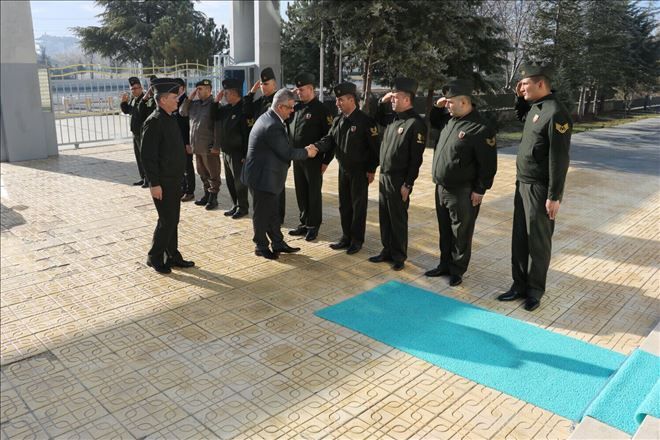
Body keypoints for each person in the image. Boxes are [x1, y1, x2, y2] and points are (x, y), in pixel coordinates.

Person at [497, 61, 572, 311]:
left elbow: (559, 158)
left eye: (525, 83)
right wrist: (519, 97)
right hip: (523, 184)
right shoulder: (535, 108)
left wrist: (554, 195)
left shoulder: (555, 113)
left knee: (537, 241)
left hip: (540, 188)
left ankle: (535, 290)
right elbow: (522, 115)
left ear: (541, 83)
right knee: (519, 238)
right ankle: (518, 284)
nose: (521, 87)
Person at [425, 79, 498, 286]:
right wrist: (439, 106)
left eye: (450, 102)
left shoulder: (480, 127)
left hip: (462, 191)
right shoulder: (450, 121)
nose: (446, 105)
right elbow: (433, 119)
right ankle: (444, 264)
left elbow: (488, 165)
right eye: (446, 102)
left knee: (461, 232)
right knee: (445, 230)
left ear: (464, 102)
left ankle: (457, 270)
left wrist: (480, 189)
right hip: (441, 188)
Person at [241, 89, 319, 260]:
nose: (292, 111)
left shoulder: (271, 118)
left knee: (273, 213)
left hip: (268, 176)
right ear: (280, 107)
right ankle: (260, 246)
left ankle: (277, 242)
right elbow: (286, 152)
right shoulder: (272, 125)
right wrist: (307, 152)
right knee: (262, 215)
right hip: (262, 178)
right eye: (290, 107)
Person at [312, 82, 380, 255]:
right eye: (337, 100)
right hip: (343, 170)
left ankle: (357, 240)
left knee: (358, 207)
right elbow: (329, 140)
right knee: (344, 206)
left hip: (360, 171)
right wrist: (316, 147)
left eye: (340, 100)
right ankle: (346, 237)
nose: (337, 103)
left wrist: (371, 169)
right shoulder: (338, 120)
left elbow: (375, 149)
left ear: (351, 100)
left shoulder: (365, 121)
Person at [368, 78, 426, 271]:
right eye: (392, 96)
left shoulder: (415, 123)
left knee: (398, 218)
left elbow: (416, 159)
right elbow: (376, 118)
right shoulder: (394, 119)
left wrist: (408, 184)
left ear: (407, 99)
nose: (392, 100)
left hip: (399, 179)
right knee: (384, 216)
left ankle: (399, 255)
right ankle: (387, 250)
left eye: (396, 97)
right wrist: (381, 102)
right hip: (385, 176)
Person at [140, 78, 195, 274]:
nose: (177, 100)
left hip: (174, 180)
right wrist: (154, 184)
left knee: (172, 219)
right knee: (167, 220)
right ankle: (155, 256)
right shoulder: (154, 122)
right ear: (162, 100)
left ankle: (172, 255)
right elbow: (148, 157)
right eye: (174, 97)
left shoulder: (169, 117)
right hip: (163, 182)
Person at [288, 72, 333, 241]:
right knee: (301, 192)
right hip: (297, 158)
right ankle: (304, 223)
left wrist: (326, 160)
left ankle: (314, 225)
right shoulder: (296, 108)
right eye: (297, 90)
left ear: (311, 89)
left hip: (314, 160)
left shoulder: (322, 110)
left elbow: (330, 137)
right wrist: (289, 95)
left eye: (302, 89)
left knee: (313, 193)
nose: (299, 93)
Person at [244, 67, 286, 224]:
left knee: (276, 186)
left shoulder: (280, 101)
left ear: (274, 84)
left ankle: (278, 217)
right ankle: (268, 215)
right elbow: (246, 111)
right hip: (261, 152)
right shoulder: (261, 101)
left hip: (275, 152)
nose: (263, 86)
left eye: (266, 84)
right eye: (261, 84)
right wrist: (251, 93)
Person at [212, 78, 250, 219]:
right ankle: (235, 204)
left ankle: (243, 207)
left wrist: (246, 154)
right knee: (230, 181)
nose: (225, 95)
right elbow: (214, 115)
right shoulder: (226, 109)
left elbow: (247, 134)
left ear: (235, 93)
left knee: (239, 182)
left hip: (238, 152)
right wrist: (216, 101)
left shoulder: (243, 109)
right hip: (226, 151)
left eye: (226, 93)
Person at [180, 79, 220, 210]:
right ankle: (206, 195)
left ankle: (213, 199)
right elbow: (182, 112)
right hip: (197, 146)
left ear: (209, 90)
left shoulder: (214, 105)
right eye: (197, 89)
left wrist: (216, 146)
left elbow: (218, 128)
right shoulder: (194, 104)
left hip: (208, 147)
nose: (198, 91)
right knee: (202, 173)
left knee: (213, 174)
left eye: (201, 89)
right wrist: (189, 99)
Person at [120, 77, 149, 187]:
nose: (134, 91)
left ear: (141, 88)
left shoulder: (145, 99)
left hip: (142, 133)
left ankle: (148, 179)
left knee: (145, 157)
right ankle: (143, 177)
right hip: (135, 132)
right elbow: (127, 110)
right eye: (132, 89)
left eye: (136, 88)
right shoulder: (133, 99)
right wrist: (123, 102)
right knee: (138, 156)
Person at [172, 78, 195, 202]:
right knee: (179, 167)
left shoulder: (186, 101)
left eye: (177, 87)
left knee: (187, 167)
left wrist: (187, 143)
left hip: (184, 140)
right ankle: (182, 188)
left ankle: (189, 191)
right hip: (176, 140)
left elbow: (187, 125)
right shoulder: (174, 100)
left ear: (183, 88)